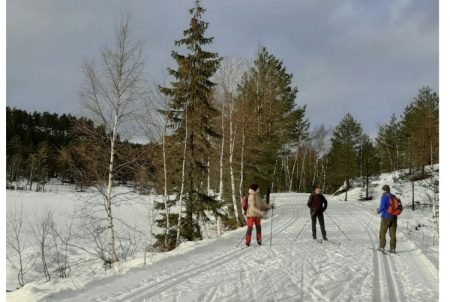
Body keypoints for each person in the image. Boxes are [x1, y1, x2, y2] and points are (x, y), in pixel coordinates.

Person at [376, 185, 398, 253]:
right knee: (393, 233)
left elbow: (382, 207)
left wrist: (378, 211)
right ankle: (393, 248)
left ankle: (382, 247)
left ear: (384, 190)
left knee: (383, 232)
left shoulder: (384, 196)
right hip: (394, 216)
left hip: (386, 216)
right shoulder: (393, 196)